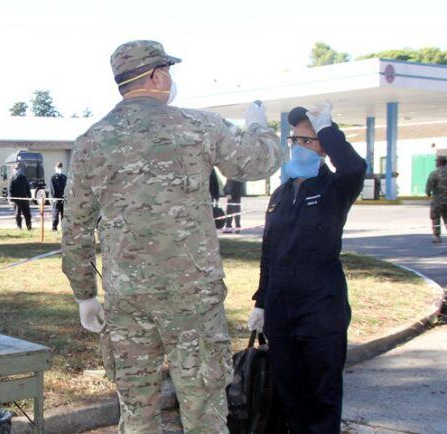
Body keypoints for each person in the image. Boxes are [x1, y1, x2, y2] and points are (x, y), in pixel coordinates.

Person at [62, 40, 283, 433]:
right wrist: (259, 125)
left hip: (127, 297)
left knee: (136, 410)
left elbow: (75, 227)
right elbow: (259, 162)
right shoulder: (197, 126)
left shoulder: (91, 141)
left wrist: (85, 295)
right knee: (203, 409)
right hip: (191, 297)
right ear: (157, 75)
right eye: (168, 71)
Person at [248, 102, 366, 434]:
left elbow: (355, 167)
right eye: (295, 140)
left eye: (308, 140)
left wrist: (327, 129)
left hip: (321, 304)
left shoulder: (335, 187)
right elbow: (269, 250)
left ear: (325, 148)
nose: (299, 147)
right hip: (282, 305)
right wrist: (261, 302)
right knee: (289, 392)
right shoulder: (282, 192)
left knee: (322, 394)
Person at [425, 156, 447, 243]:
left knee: (435, 217)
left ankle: (437, 237)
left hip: (438, 199)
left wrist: (428, 193)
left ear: (439, 162)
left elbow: (429, 184)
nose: (436, 163)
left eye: (437, 161)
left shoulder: (435, 173)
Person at [9, 162, 32, 230]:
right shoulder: (12, 179)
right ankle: (19, 226)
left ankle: (29, 226)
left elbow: (27, 187)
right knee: (17, 215)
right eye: (16, 169)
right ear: (13, 170)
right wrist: (11, 198)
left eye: (18, 169)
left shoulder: (23, 177)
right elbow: (10, 189)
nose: (17, 170)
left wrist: (29, 195)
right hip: (16, 200)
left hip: (24, 198)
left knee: (27, 214)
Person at [50, 162, 67, 231]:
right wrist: (54, 197)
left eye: (60, 167)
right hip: (56, 199)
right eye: (58, 167)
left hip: (63, 198)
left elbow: (67, 187)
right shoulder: (53, 178)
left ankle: (64, 228)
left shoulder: (64, 177)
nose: (59, 169)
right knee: (55, 214)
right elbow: (52, 189)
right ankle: (54, 228)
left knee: (64, 215)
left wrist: (65, 196)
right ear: (55, 168)